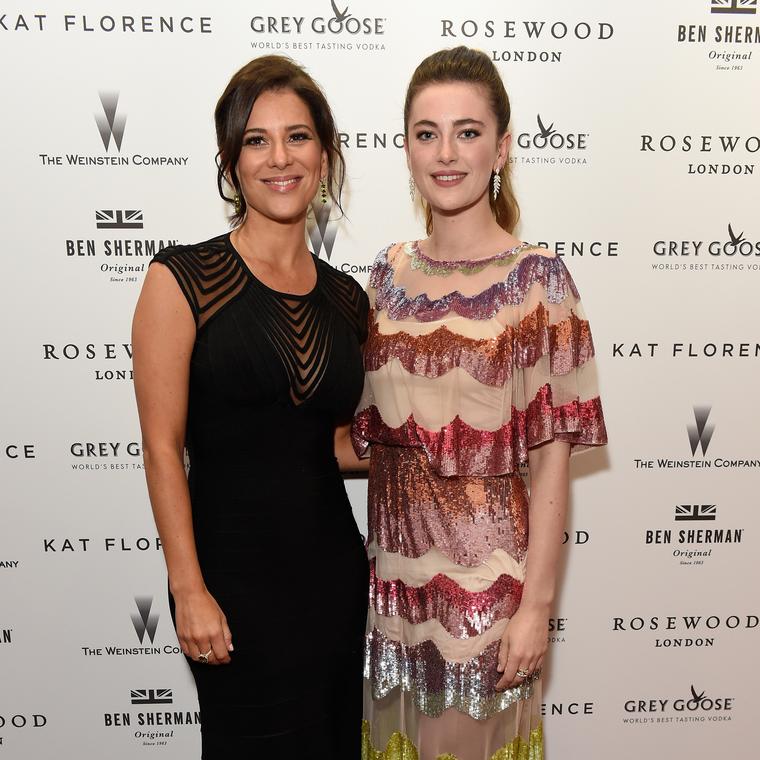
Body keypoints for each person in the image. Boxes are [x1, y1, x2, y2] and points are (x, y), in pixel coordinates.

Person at [352, 46, 608, 760]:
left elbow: (551, 464)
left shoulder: (539, 283)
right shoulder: (386, 275)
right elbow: (368, 434)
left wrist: (537, 610)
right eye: (426, 132)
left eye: (467, 132)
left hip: (485, 600)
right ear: (405, 147)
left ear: (502, 147)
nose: (446, 153)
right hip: (394, 597)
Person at [132, 55, 369, 759]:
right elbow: (160, 446)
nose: (279, 158)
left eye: (298, 136)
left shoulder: (347, 300)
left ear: (325, 155)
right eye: (256, 140)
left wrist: (447, 439)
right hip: (229, 586)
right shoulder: (181, 280)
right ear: (230, 160)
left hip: (330, 576)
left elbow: (315, 442)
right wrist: (188, 589)